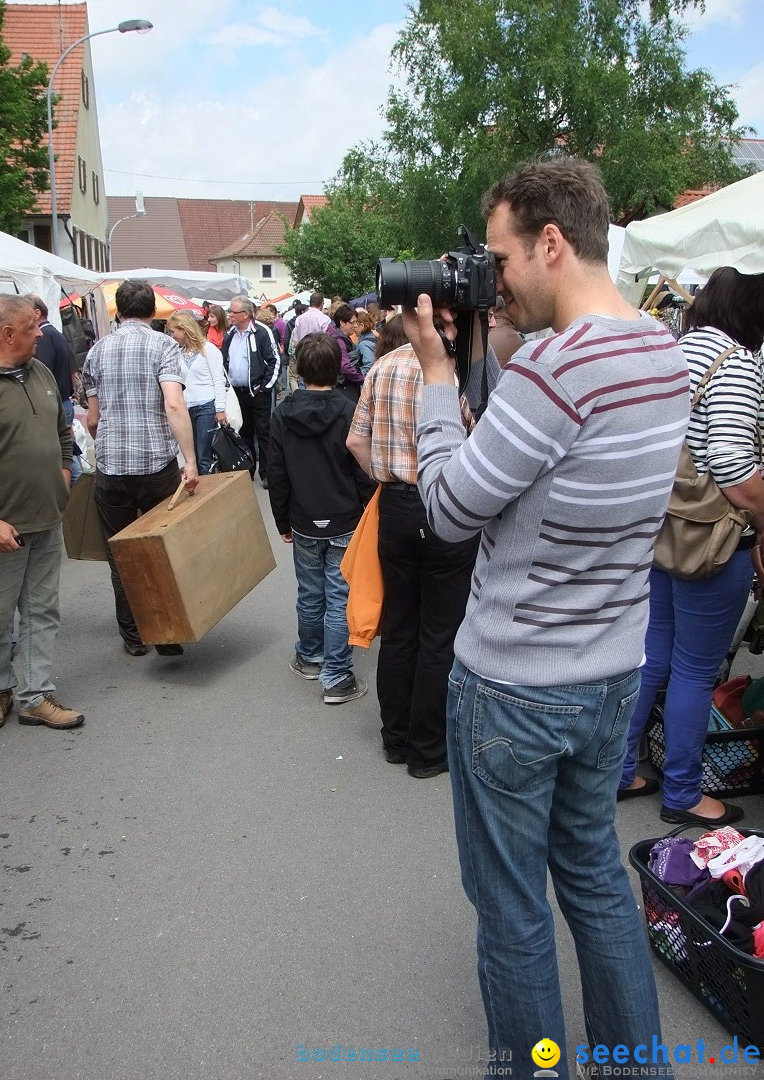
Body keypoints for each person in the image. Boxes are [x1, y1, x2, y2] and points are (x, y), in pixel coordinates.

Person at [402, 158, 689, 1076]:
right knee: (598, 881)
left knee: (515, 905)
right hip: (610, 672)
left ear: (551, 243)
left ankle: (530, 1066)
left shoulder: (558, 371)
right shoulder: (662, 351)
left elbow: (448, 510)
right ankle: (631, 1064)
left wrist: (439, 375)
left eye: (498, 256)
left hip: (516, 686)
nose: (489, 277)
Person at [620, 266, 764, 826]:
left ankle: (620, 769)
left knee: (654, 655)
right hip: (712, 540)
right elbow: (731, 463)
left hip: (663, 528)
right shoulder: (735, 366)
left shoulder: (674, 352)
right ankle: (682, 792)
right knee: (695, 670)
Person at [347, 334, 478, 780]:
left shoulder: (381, 367)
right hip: (447, 503)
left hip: (396, 505)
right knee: (440, 633)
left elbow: (355, 440)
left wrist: (386, 477)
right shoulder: (454, 370)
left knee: (400, 628)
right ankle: (428, 749)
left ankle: (396, 739)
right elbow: (480, 438)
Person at [0, 295, 85, 733]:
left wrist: (64, 474)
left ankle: (35, 695)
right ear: (7, 333)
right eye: (32, 327)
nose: (40, 333)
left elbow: (62, 431)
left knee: (42, 611)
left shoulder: (40, 372)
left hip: (45, 517)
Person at [84, 280, 199, 658]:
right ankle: (165, 632)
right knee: (160, 549)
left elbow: (94, 419)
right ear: (153, 312)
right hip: (155, 465)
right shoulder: (163, 345)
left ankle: (132, 634)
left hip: (113, 466)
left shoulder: (97, 350)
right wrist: (191, 461)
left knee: (121, 555)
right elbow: (174, 405)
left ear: (119, 310)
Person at [267, 333, 375, 704]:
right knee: (339, 595)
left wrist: (281, 520)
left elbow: (276, 472)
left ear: (299, 368)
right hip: (345, 518)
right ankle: (336, 674)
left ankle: (311, 655)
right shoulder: (349, 409)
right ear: (336, 368)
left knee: (311, 592)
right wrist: (366, 510)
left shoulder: (282, 413)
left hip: (304, 518)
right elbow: (361, 468)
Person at [221, 295, 280, 488]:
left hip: (258, 393)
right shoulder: (230, 334)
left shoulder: (262, 332)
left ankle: (267, 473)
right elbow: (225, 361)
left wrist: (264, 387)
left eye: (233, 311)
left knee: (263, 432)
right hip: (237, 394)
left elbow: (274, 360)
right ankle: (247, 470)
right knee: (242, 432)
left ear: (245, 314)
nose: (230, 315)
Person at [167, 311, 229, 475]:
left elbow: (219, 379)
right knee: (191, 455)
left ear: (184, 329)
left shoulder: (208, 349)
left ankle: (206, 494)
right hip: (186, 408)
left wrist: (220, 408)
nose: (172, 335)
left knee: (203, 456)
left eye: (174, 331)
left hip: (206, 406)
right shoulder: (177, 353)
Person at [27, 295, 81, 484]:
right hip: (63, 400)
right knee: (68, 452)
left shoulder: (46, 336)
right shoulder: (55, 333)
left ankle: (80, 494)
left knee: (66, 456)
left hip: (55, 403)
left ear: (37, 312)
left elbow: (42, 373)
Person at [327, 303, 365, 403]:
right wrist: (362, 379)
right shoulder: (339, 341)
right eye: (352, 323)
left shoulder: (340, 337)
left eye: (356, 322)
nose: (355, 325)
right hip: (344, 388)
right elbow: (345, 367)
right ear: (342, 323)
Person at [354, 310, 378, 375]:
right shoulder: (374, 336)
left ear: (361, 325)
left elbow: (369, 366)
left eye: (355, 324)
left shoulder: (364, 344)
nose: (353, 327)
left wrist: (356, 376)